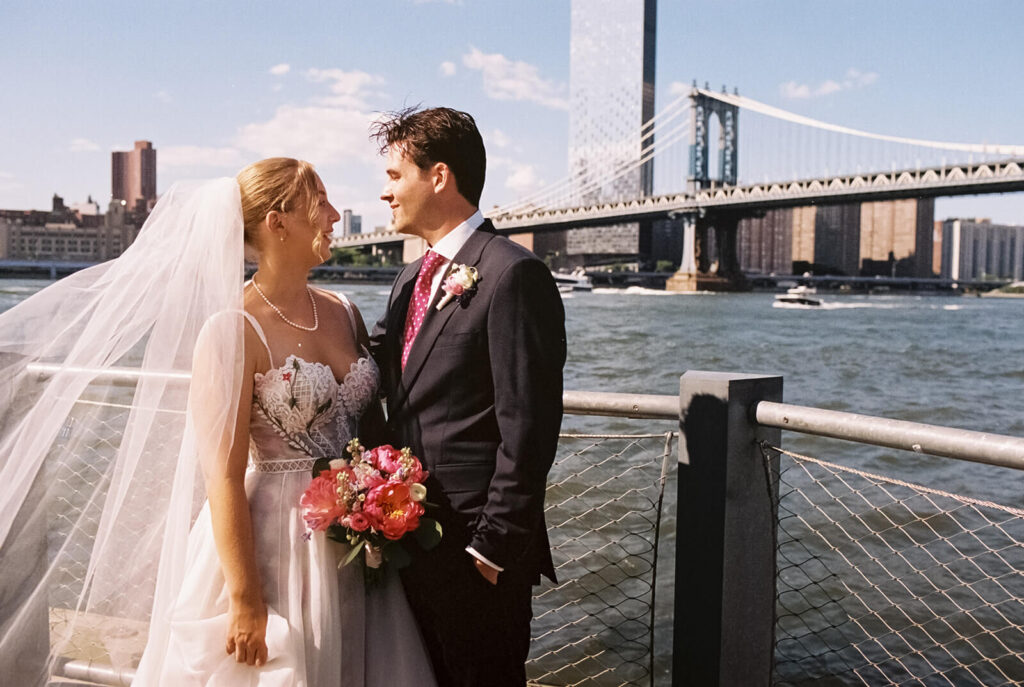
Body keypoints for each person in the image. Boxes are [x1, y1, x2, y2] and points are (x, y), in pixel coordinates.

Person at [0, 158, 435, 686]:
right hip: (275, 546)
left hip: (353, 545)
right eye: (319, 202)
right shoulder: (233, 327)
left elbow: (370, 430)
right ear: (277, 223)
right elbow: (223, 476)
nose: (336, 215)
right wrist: (246, 599)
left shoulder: (345, 310)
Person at [370, 107, 566, 686]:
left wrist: (492, 551)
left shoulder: (512, 274)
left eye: (394, 175)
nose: (384, 193)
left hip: (473, 555)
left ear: (439, 177)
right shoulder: (412, 278)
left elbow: (529, 426)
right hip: (407, 541)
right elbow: (379, 374)